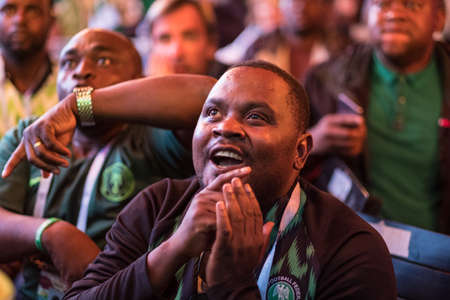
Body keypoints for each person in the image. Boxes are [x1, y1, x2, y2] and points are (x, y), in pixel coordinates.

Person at [4, 61, 396, 299]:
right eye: (211, 114)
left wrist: (232, 285)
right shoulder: (158, 204)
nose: (226, 128)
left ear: (300, 151)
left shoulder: (348, 247)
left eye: (255, 117)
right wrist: (170, 251)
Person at [0, 28, 215, 299]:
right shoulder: (31, 135)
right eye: (69, 62)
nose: (81, 71)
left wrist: (80, 104)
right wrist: (51, 234)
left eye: (103, 61)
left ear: (137, 81)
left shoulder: (150, 137)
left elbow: (209, 97)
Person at [305, 0, 449, 233]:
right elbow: (279, 169)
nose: (394, 14)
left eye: (411, 5)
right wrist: (313, 141)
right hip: (352, 248)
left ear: (439, 18)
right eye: (382, 4)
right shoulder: (324, 81)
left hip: (439, 254)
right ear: (365, 14)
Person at [0, 0, 58, 137]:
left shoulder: (71, 82)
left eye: (32, 11)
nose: (20, 20)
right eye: (9, 10)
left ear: (51, 21)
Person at [243, 0, 333, 82]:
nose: (301, 6)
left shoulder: (337, 48)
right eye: (293, 1)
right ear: (280, 5)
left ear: (321, 5)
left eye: (309, 1)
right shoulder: (260, 48)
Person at [140, 0, 227, 77]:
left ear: (211, 44)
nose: (176, 53)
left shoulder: (232, 83)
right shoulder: (137, 86)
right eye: (165, 39)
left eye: (189, 37)